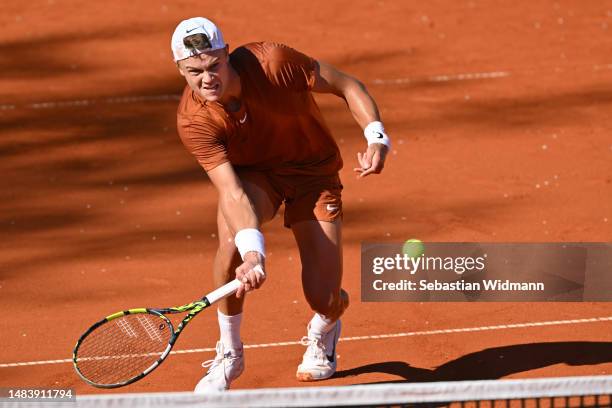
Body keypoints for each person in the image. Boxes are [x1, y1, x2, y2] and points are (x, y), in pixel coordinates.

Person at [170, 17, 390, 392]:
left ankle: (325, 326)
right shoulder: (194, 121)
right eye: (194, 72)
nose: (206, 78)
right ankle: (230, 353)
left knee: (324, 297)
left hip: (313, 174)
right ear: (180, 70)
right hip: (256, 178)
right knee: (231, 247)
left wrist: (376, 137)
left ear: (226, 55)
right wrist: (252, 253)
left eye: (213, 66)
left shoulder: (272, 63)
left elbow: (347, 85)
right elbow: (232, 193)